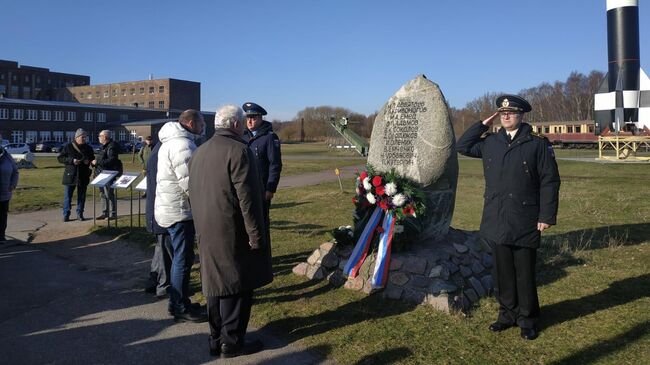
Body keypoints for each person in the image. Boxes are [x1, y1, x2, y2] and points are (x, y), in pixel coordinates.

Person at [456, 94, 560, 341]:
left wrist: (546, 215)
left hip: (525, 216)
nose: (506, 116)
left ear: (521, 115)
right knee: (502, 272)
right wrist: (483, 123)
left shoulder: (536, 143)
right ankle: (506, 315)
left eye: (511, 113)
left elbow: (550, 181)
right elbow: (463, 146)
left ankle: (528, 319)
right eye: (502, 113)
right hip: (497, 216)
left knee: (524, 272)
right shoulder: (491, 142)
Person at [189, 105, 271, 358]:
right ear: (235, 124)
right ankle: (232, 342)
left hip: (205, 227)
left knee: (215, 285)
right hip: (231, 228)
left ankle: (216, 339)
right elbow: (247, 199)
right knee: (236, 285)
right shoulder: (239, 151)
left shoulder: (199, 152)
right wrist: (256, 235)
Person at [155, 109, 207, 323]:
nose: (204, 126)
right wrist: (203, 204)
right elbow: (189, 182)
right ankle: (179, 305)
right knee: (182, 259)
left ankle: (178, 301)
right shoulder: (182, 144)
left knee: (178, 258)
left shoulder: (171, 141)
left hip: (168, 208)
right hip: (179, 211)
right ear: (191, 123)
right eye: (202, 122)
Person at [241, 102, 282, 227]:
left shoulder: (269, 137)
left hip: (261, 187)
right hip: (244, 187)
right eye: (248, 118)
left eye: (253, 118)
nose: (250, 121)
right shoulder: (242, 136)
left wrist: (270, 188)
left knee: (261, 222)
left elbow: (275, 164)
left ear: (260, 118)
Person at [143, 139, 173, 301]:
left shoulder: (158, 150)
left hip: (158, 207)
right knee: (165, 248)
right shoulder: (164, 152)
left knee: (160, 247)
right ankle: (164, 285)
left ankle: (153, 279)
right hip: (163, 208)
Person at [58, 128, 95, 222]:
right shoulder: (68, 146)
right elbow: (60, 158)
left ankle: (80, 213)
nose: (84, 139)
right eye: (82, 137)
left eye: (85, 137)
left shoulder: (88, 148)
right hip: (70, 175)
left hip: (83, 175)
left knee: (82, 196)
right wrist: (72, 161)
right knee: (68, 196)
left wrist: (90, 162)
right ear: (77, 137)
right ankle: (66, 214)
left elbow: (92, 159)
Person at [91, 130, 122, 220]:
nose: (98, 138)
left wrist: (98, 161)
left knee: (110, 194)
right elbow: (100, 158)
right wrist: (93, 163)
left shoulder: (111, 147)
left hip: (109, 174)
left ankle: (113, 213)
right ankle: (105, 212)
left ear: (104, 137)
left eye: (100, 136)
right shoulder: (103, 147)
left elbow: (111, 161)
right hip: (101, 174)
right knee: (102, 194)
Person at [0, 133, 19, 243]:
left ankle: (1, 235)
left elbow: (15, 172)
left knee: (2, 216)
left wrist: (12, 185)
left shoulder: (7, 156)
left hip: (4, 192)